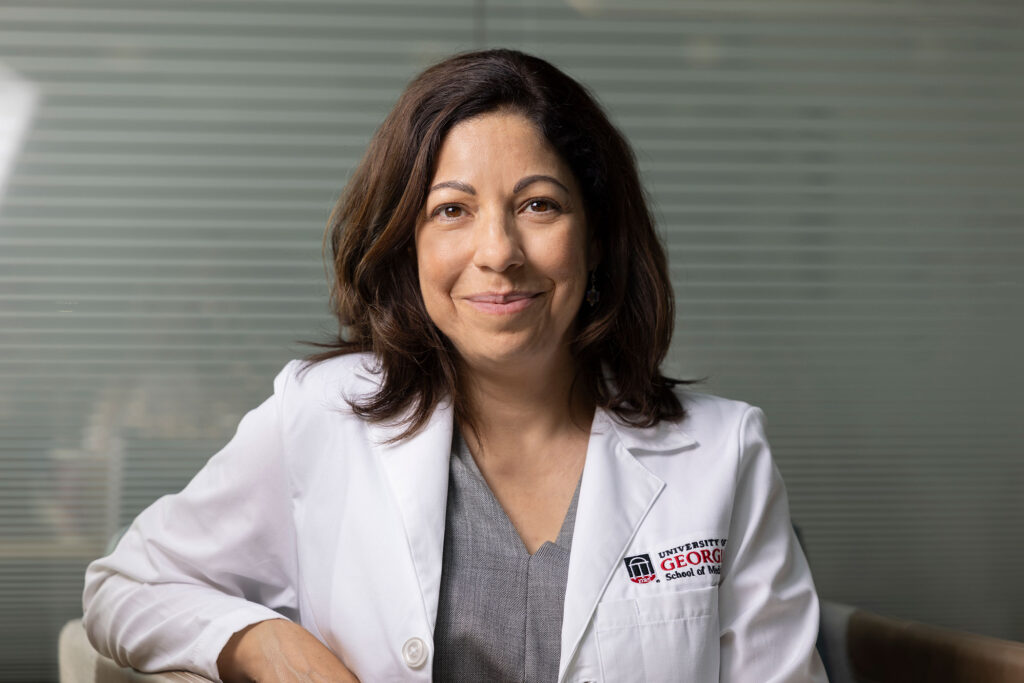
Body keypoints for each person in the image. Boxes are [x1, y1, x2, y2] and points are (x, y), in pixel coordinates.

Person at [82, 48, 828, 682]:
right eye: (452, 210)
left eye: (538, 206)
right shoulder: (321, 414)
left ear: (595, 239)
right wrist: (268, 644)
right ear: (409, 246)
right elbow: (127, 584)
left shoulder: (726, 453)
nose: (498, 251)